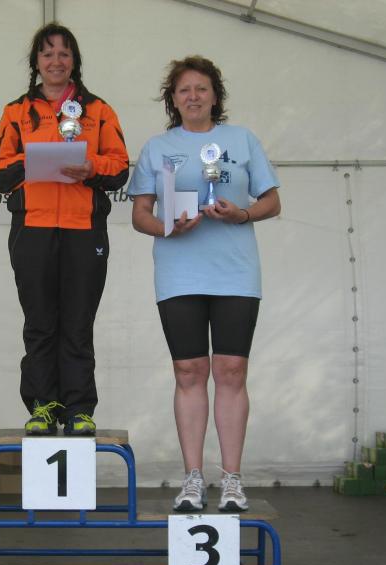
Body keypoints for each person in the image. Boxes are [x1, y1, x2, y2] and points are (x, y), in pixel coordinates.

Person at [128, 56, 281, 512]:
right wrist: (168, 227)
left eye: (201, 88)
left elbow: (272, 201)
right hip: (179, 274)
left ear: (216, 95)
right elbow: (140, 215)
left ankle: (232, 480)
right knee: (189, 372)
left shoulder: (242, 139)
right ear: (172, 100)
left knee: (231, 371)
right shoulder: (157, 147)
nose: (193, 96)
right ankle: (193, 479)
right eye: (184, 90)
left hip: (236, 272)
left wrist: (242, 213)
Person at [0, 23, 128, 436]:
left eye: (64, 53)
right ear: (36, 62)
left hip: (84, 229)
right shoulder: (16, 112)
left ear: (74, 61)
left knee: (78, 324)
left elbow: (119, 168)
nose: (56, 61)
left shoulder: (98, 110)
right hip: (33, 228)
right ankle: (43, 406)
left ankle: (80, 408)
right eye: (47, 54)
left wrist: (91, 167)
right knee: (40, 322)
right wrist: (32, 160)